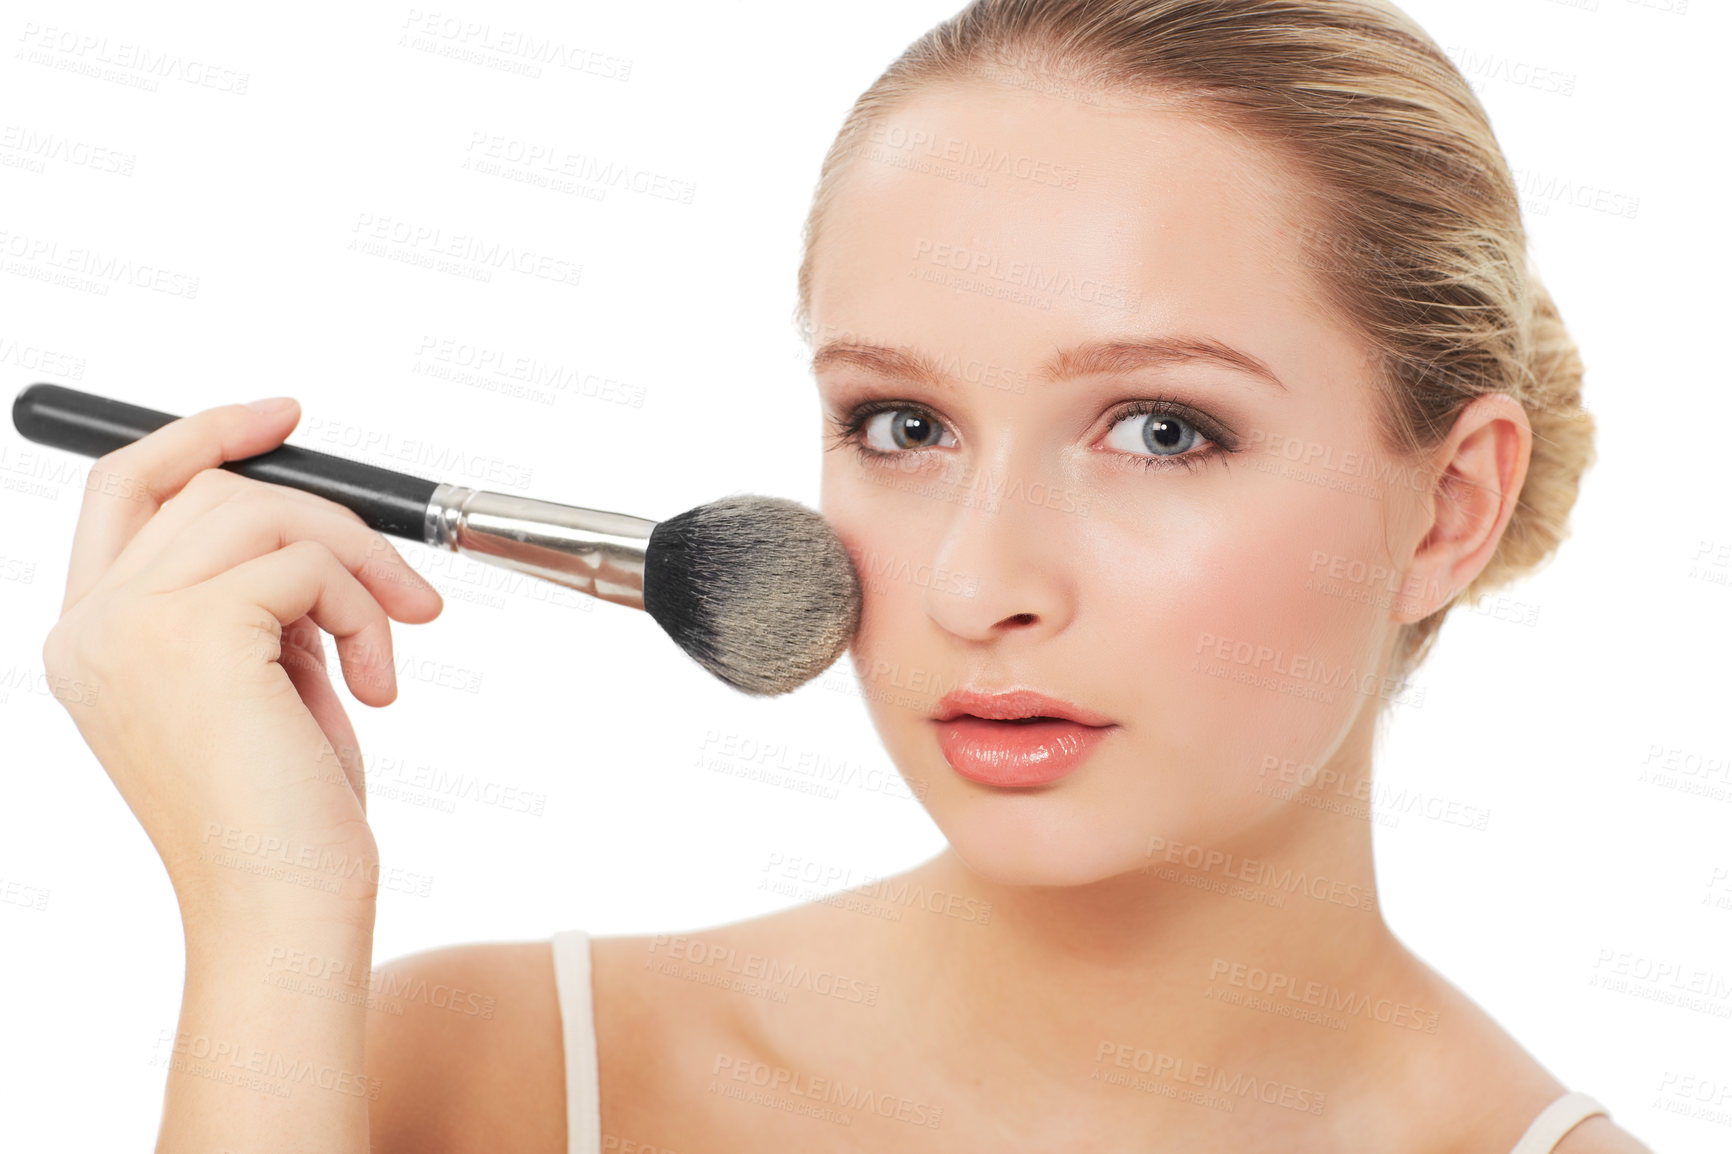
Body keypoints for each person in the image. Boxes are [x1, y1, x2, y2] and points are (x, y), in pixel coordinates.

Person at [41, 1, 1653, 1150]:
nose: (976, 580)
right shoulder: (481, 1079)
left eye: (1160, 429)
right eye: (903, 421)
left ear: (1447, 506)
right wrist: (268, 914)